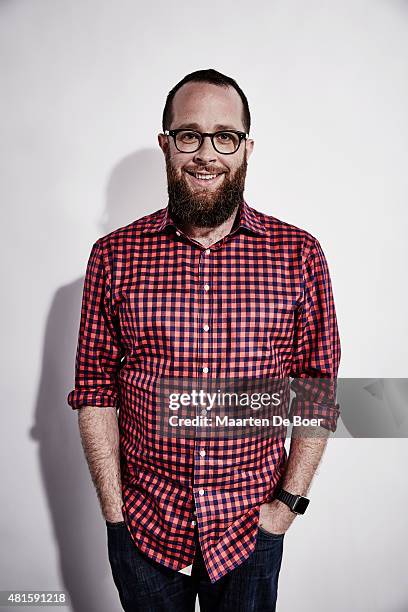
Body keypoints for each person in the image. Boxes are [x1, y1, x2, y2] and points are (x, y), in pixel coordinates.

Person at [67, 68, 341, 611]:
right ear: (166, 144)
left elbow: (318, 386)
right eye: (189, 135)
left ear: (246, 148)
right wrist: (114, 514)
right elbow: (94, 390)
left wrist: (285, 506)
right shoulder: (114, 256)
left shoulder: (298, 255)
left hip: (249, 532)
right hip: (145, 530)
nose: (206, 154)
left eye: (225, 137)